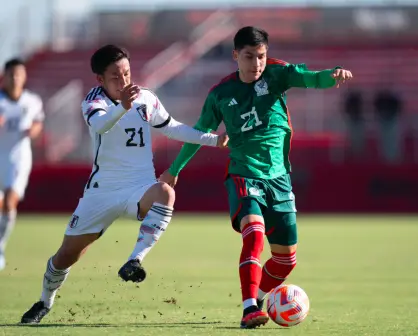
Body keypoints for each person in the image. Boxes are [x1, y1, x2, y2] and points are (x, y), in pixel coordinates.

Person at [160, 26, 353, 328]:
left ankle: (261, 298)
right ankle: (249, 307)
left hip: (279, 179)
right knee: (254, 235)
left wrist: (333, 75)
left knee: (286, 260)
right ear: (236, 55)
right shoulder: (221, 94)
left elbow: (310, 78)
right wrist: (174, 170)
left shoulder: (276, 74)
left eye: (261, 56)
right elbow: (199, 134)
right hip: (244, 175)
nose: (257, 64)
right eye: (249, 57)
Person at [20, 44, 228, 324]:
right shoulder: (93, 102)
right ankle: (44, 302)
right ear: (100, 80)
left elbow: (171, 126)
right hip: (101, 193)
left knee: (165, 192)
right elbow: (101, 125)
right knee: (66, 256)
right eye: (116, 76)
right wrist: (122, 106)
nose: (124, 81)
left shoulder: (146, 98)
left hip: (139, 187)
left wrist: (212, 139)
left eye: (127, 73)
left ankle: (134, 260)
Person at [0, 58, 44, 271]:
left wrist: (33, 130)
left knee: (9, 203)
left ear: (24, 76)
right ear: (5, 76)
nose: (16, 78)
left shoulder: (32, 101)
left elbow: (37, 123)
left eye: (19, 74)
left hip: (18, 158)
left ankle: (0, 246)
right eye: (12, 74)